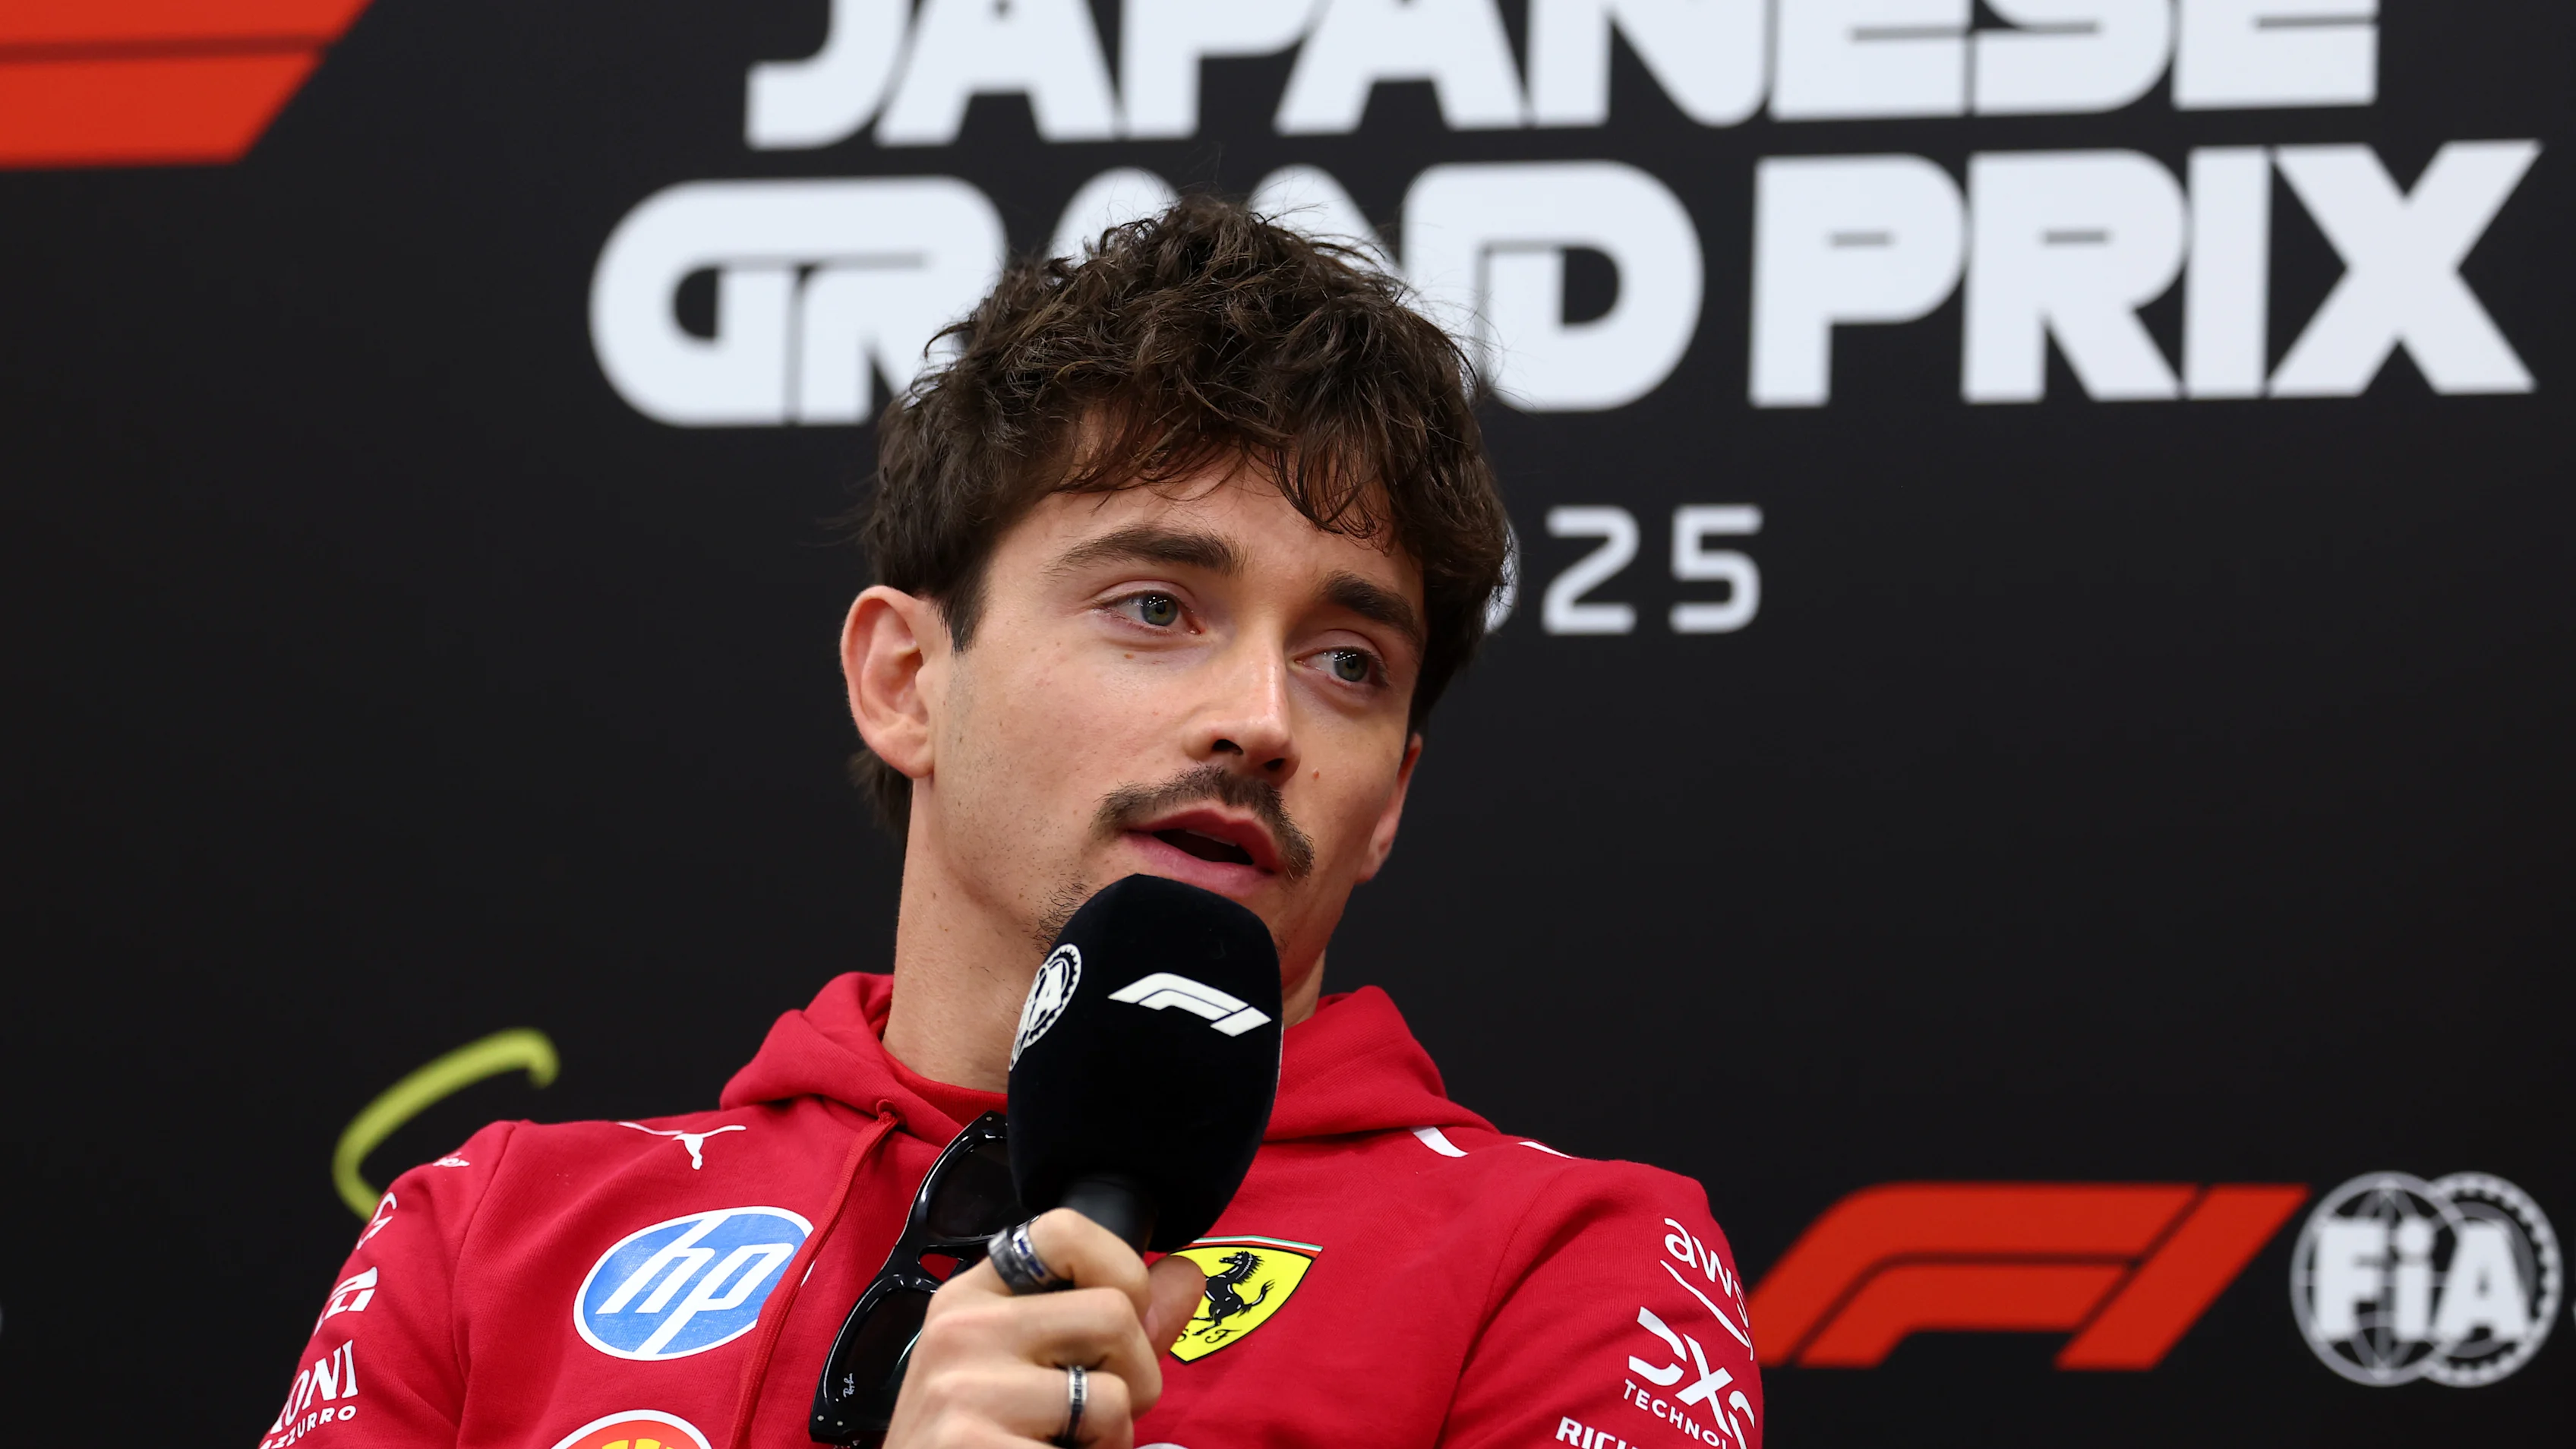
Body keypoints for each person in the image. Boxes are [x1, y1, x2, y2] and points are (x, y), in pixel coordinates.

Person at [261, 197, 1763, 1449]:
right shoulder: (485, 1238)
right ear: (905, 678)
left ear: (1392, 805)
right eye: (1155, 607)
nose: (1262, 718)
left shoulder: (1572, 1266)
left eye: (1347, 660)